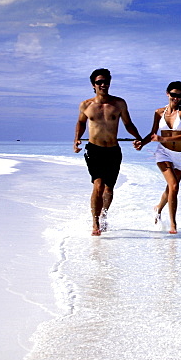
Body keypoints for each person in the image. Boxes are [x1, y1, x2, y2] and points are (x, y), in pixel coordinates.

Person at [74, 68, 142, 236]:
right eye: (99, 82)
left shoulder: (119, 103)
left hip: (113, 150)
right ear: (93, 85)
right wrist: (76, 139)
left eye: (106, 82)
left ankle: (104, 214)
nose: (103, 85)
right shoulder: (86, 105)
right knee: (98, 185)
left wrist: (139, 137)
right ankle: (95, 221)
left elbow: (128, 124)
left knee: (109, 189)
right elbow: (81, 123)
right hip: (94, 149)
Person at [135, 81, 181, 234]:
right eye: (173, 95)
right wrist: (142, 143)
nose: (176, 98)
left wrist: (163, 139)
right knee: (174, 186)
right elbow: (153, 134)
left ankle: (158, 208)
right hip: (163, 153)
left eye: (179, 96)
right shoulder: (158, 112)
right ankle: (173, 224)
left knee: (170, 189)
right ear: (167, 93)